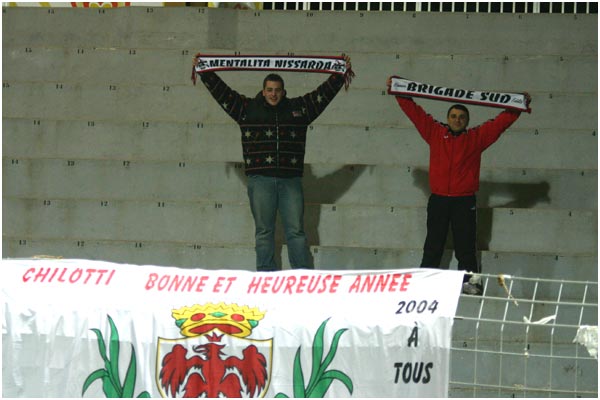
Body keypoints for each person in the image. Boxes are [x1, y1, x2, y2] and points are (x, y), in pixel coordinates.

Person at [195, 55, 351, 272]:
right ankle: (265, 276)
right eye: (269, 90)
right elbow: (222, 92)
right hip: (260, 180)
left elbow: (321, 96)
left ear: (283, 92)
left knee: (296, 232)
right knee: (264, 232)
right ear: (263, 91)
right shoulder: (246, 109)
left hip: (291, 181)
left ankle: (301, 275)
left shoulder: (299, 109)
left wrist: (339, 74)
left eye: (277, 90)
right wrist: (205, 71)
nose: (273, 94)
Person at [387, 78, 530, 295]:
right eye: (453, 116)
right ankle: (425, 282)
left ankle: (471, 283)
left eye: (461, 117)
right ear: (448, 119)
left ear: (467, 121)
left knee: (465, 245)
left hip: (464, 201)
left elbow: (499, 124)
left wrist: (517, 106)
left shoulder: (476, 138)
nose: (457, 120)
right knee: (433, 244)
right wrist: (399, 91)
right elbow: (415, 113)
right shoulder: (435, 132)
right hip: (438, 199)